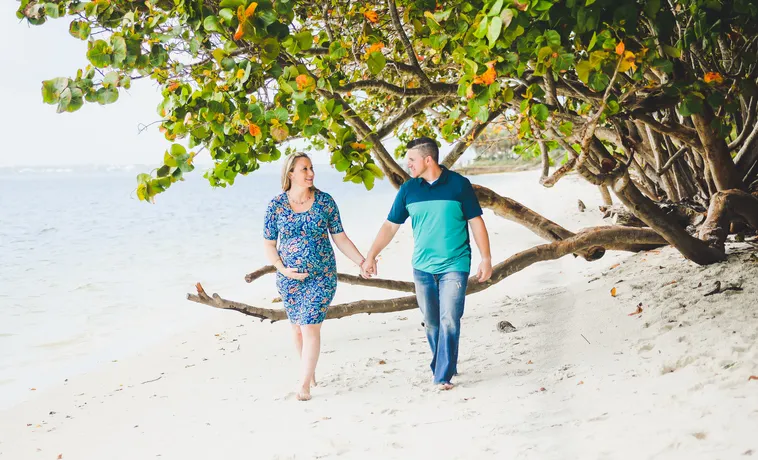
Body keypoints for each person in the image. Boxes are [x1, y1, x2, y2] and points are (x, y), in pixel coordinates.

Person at [361, 137, 493, 390]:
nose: (408, 165)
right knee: (432, 321)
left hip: (456, 263)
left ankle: (442, 375)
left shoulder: (458, 185)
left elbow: (476, 222)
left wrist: (485, 258)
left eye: (411, 160)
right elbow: (390, 226)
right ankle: (445, 364)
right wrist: (370, 256)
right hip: (422, 267)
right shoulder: (409, 190)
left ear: (428, 159)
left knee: (450, 318)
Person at [263, 152, 366, 401]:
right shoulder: (276, 205)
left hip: (322, 276)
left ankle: (304, 385)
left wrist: (361, 261)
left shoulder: (325, 202)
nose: (310, 173)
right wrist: (282, 268)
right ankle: (309, 372)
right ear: (290, 174)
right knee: (297, 329)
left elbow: (340, 237)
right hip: (289, 280)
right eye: (304, 169)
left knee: (310, 326)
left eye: (311, 168)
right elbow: (268, 244)